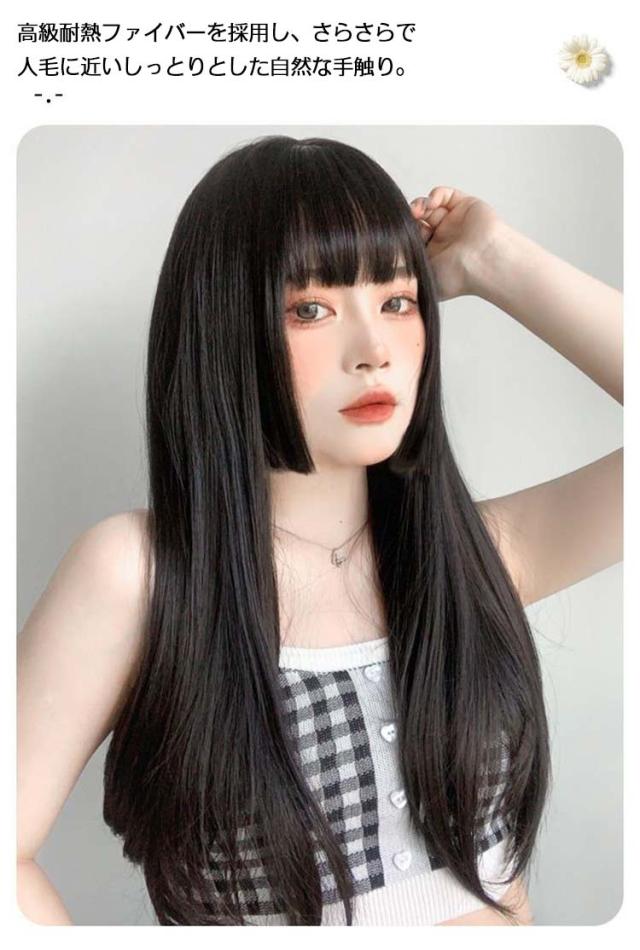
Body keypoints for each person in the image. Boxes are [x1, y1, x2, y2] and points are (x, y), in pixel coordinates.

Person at [17, 135, 622, 927]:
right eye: (311, 310)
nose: (374, 351)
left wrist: (494, 260)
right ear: (227, 329)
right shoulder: (145, 575)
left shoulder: (473, 559)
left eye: (397, 301)